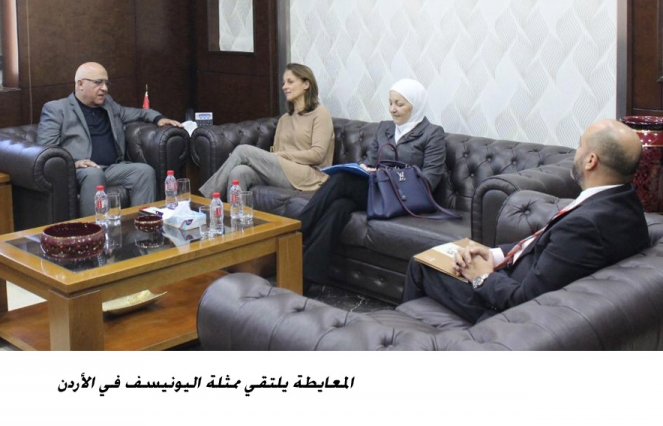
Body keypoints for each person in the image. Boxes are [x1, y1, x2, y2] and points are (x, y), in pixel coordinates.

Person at [402, 118, 650, 323]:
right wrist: (494, 254)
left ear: (590, 160)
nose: (576, 152)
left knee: (422, 264)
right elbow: (545, 244)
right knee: (446, 256)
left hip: (504, 307)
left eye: (580, 145)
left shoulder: (585, 226)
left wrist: (482, 276)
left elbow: (525, 300)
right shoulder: (624, 203)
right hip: (510, 274)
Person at [300, 78, 446, 285]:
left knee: (340, 180)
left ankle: (297, 228)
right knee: (339, 206)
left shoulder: (432, 134)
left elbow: (429, 181)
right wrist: (366, 169)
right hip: (377, 191)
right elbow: (370, 161)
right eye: (391, 103)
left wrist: (390, 177)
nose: (392, 109)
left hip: (404, 198)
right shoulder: (385, 128)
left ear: (416, 105)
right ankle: (306, 278)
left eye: (399, 104)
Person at [37, 62, 183, 218]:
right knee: (94, 174)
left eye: (106, 83)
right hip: (79, 170)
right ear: (80, 84)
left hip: (112, 168)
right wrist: (74, 163)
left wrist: (159, 119)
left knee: (144, 172)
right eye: (98, 82)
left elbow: (138, 113)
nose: (105, 88)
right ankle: (94, 229)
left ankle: (143, 228)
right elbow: (46, 149)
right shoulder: (57, 109)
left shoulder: (109, 104)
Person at [199, 63, 334, 198]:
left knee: (242, 151)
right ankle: (237, 212)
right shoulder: (284, 119)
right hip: (284, 172)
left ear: (306, 84)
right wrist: (277, 156)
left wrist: (282, 155)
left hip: (309, 176)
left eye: (290, 82)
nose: (284, 87)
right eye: (283, 83)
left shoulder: (320, 114)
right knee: (239, 172)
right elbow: (277, 153)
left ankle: (206, 199)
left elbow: (317, 155)